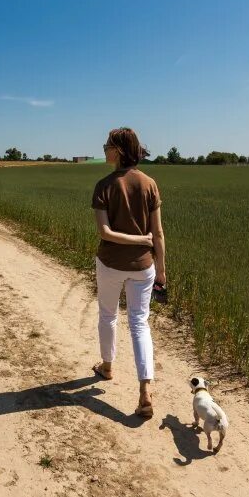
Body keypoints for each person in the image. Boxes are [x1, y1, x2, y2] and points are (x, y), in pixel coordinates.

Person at [90, 127, 166, 418]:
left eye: (107, 144)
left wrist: (138, 240)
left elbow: (105, 233)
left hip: (110, 263)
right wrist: (161, 270)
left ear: (118, 150)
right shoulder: (149, 184)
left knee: (108, 315)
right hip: (144, 266)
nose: (103, 148)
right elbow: (157, 233)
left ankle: (107, 367)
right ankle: (145, 389)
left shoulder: (104, 186)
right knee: (139, 323)